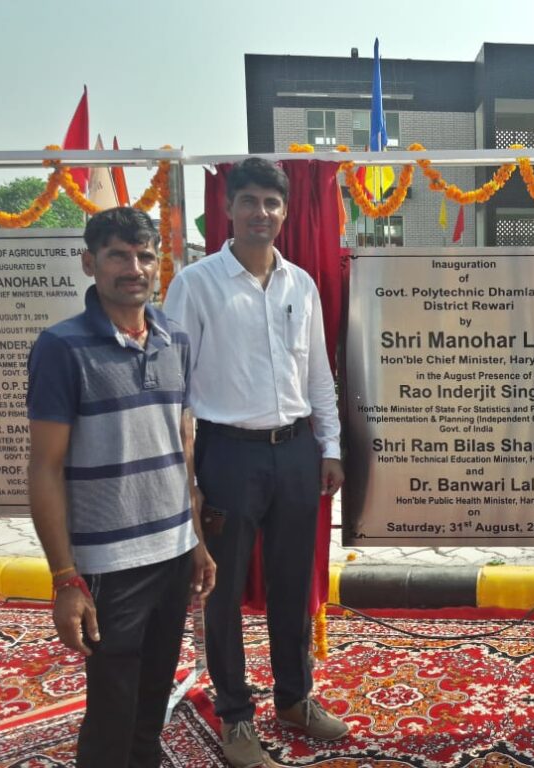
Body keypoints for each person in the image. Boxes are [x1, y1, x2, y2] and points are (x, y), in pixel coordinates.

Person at [164, 157, 346, 768]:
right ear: (228, 208)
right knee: (220, 590)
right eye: (249, 201)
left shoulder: (300, 285)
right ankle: (236, 717)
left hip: (294, 453)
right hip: (227, 456)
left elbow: (318, 374)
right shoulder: (196, 285)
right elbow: (174, 386)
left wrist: (330, 447)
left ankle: (294, 699)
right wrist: (186, 476)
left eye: (271, 202)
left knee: (294, 584)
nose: (260, 213)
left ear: (285, 211)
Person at [27, 207, 216, 768]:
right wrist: (65, 578)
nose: (134, 268)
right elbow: (44, 468)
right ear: (90, 262)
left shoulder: (175, 339)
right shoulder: (61, 347)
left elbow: (182, 449)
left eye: (144, 256)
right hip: (110, 565)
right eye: (118, 255)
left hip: (172, 554)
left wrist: (196, 540)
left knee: (151, 704)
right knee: (112, 711)